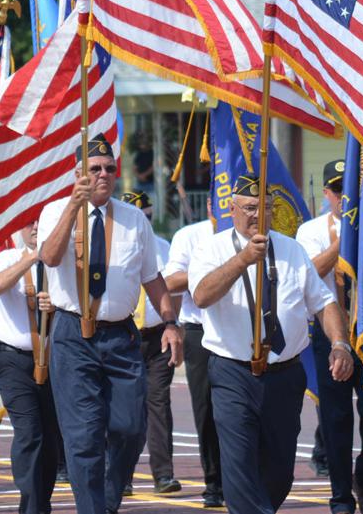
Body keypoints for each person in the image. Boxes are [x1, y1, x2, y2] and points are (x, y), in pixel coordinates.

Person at [190, 173, 354, 514]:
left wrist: (340, 344)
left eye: (263, 208)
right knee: (238, 467)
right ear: (232, 209)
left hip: (284, 374)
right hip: (233, 373)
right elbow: (202, 295)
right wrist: (243, 260)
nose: (255, 215)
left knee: (279, 473)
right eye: (248, 208)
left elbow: (324, 303)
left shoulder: (292, 249)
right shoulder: (213, 247)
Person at [37, 134, 183, 514]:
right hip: (73, 335)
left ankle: (106, 502)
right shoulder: (56, 211)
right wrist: (74, 206)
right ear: (77, 173)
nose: (104, 174)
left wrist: (170, 322)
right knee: (83, 437)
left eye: (109, 169)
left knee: (130, 429)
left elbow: (153, 278)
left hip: (121, 336)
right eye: (95, 169)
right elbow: (50, 257)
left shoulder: (135, 220)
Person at [296, 160, 363, 514]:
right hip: (330, 333)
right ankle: (341, 498)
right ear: (327, 194)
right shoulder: (311, 231)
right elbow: (309, 275)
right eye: (338, 190)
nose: (346, 197)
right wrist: (344, 242)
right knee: (336, 418)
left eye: (351, 189)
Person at [0, 219, 60, 514]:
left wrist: (56, 304)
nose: (35, 227)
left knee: (51, 439)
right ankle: (33, 508)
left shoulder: (61, 261)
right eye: (29, 222)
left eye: (41, 222)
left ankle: (39, 503)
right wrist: (30, 258)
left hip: (54, 360)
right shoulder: (6, 257)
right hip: (14, 360)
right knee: (29, 432)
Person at [122, 190, 182, 495]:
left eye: (145, 216)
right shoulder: (115, 244)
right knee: (125, 408)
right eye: (135, 216)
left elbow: (174, 292)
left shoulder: (162, 247)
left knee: (158, 404)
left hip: (158, 334)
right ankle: (123, 476)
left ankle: (163, 474)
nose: (140, 221)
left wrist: (175, 328)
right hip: (126, 334)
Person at [163, 200, 222, 508]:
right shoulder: (190, 235)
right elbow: (170, 281)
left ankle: (245, 476)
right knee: (207, 410)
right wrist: (211, 271)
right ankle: (214, 482)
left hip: (244, 331)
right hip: (201, 331)